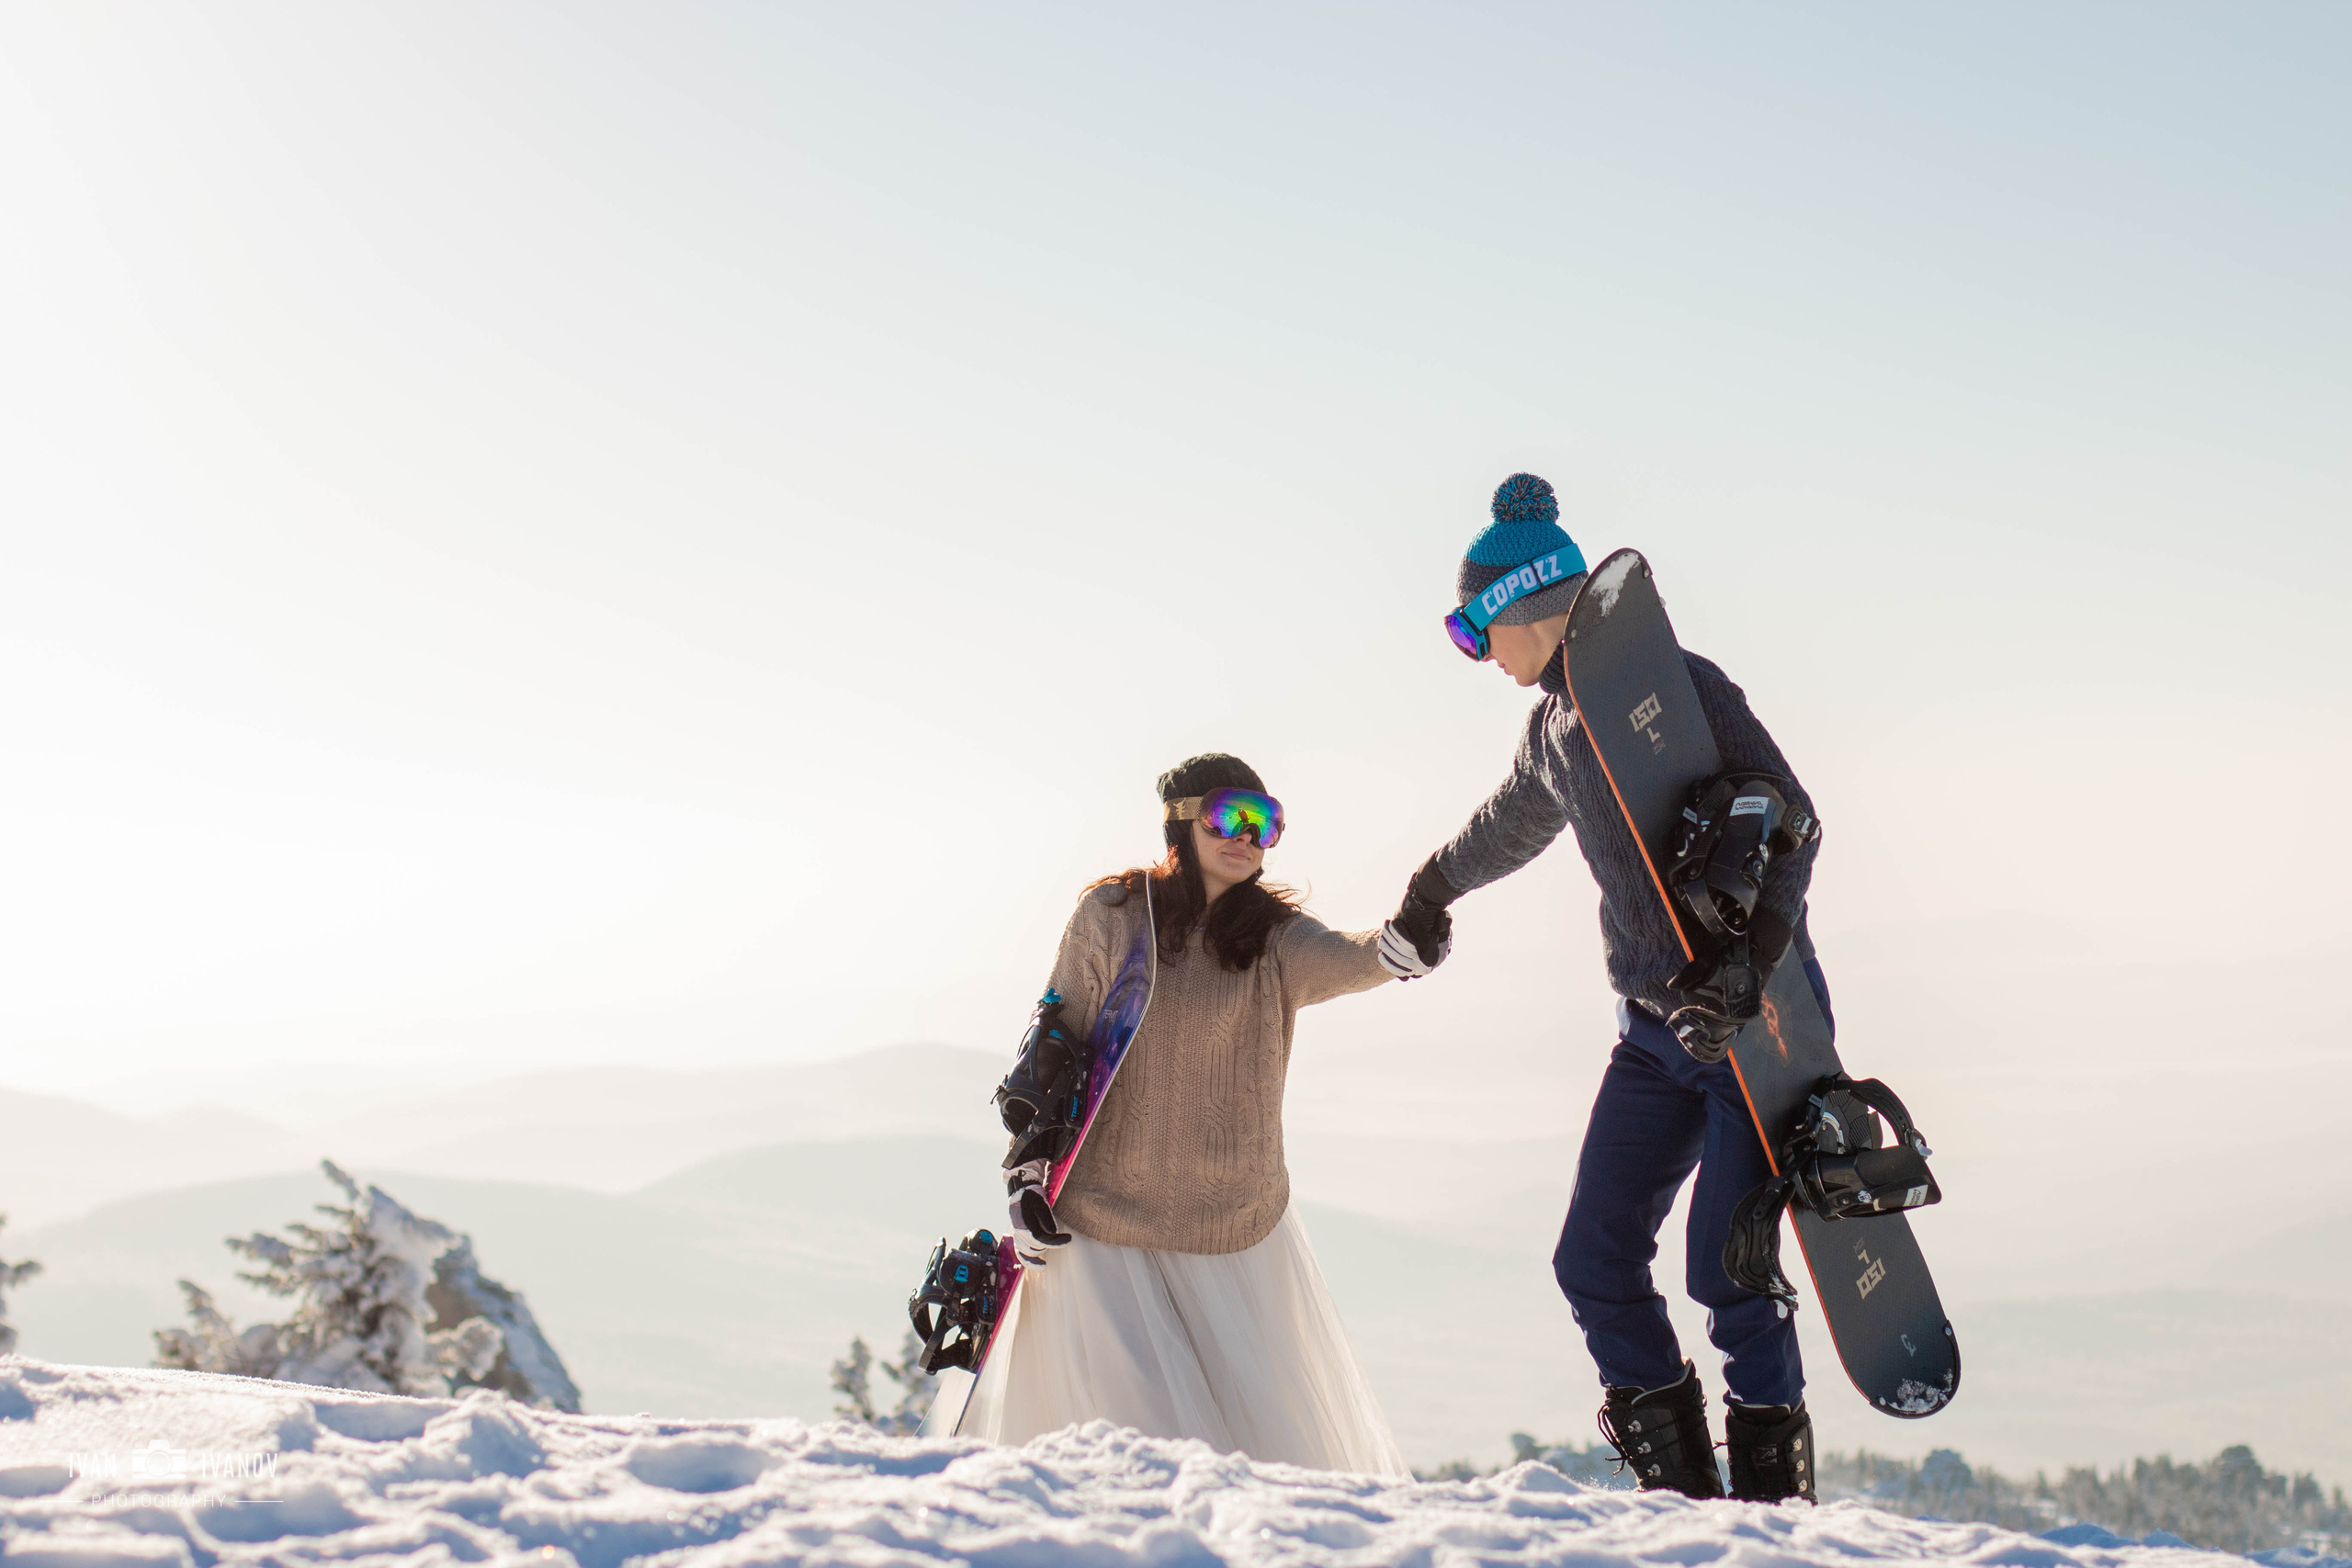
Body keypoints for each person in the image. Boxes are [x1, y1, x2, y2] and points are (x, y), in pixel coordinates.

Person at [1384, 472, 1826, 1504]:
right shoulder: (1552, 729)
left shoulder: (1679, 685)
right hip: (1651, 1034)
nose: (1477, 656)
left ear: (1518, 607)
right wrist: (1430, 888)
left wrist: (1742, 966)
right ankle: (1679, 1507)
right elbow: (1510, 821)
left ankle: (1773, 1520)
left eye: (1472, 632)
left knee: (1725, 1273)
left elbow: (1795, 821)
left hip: (1751, 1026)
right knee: (1592, 1261)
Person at [956, 752, 1442, 1474]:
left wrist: (1399, 948)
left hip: (1227, 1222)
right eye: (1229, 815)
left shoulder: (1275, 936)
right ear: (1181, 822)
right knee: (1142, 1439)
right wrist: (1026, 1178)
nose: (1248, 835)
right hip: (1101, 1216)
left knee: (1233, 1455)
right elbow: (1055, 1046)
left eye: (1264, 820)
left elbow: (1351, 955)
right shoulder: (1114, 916)